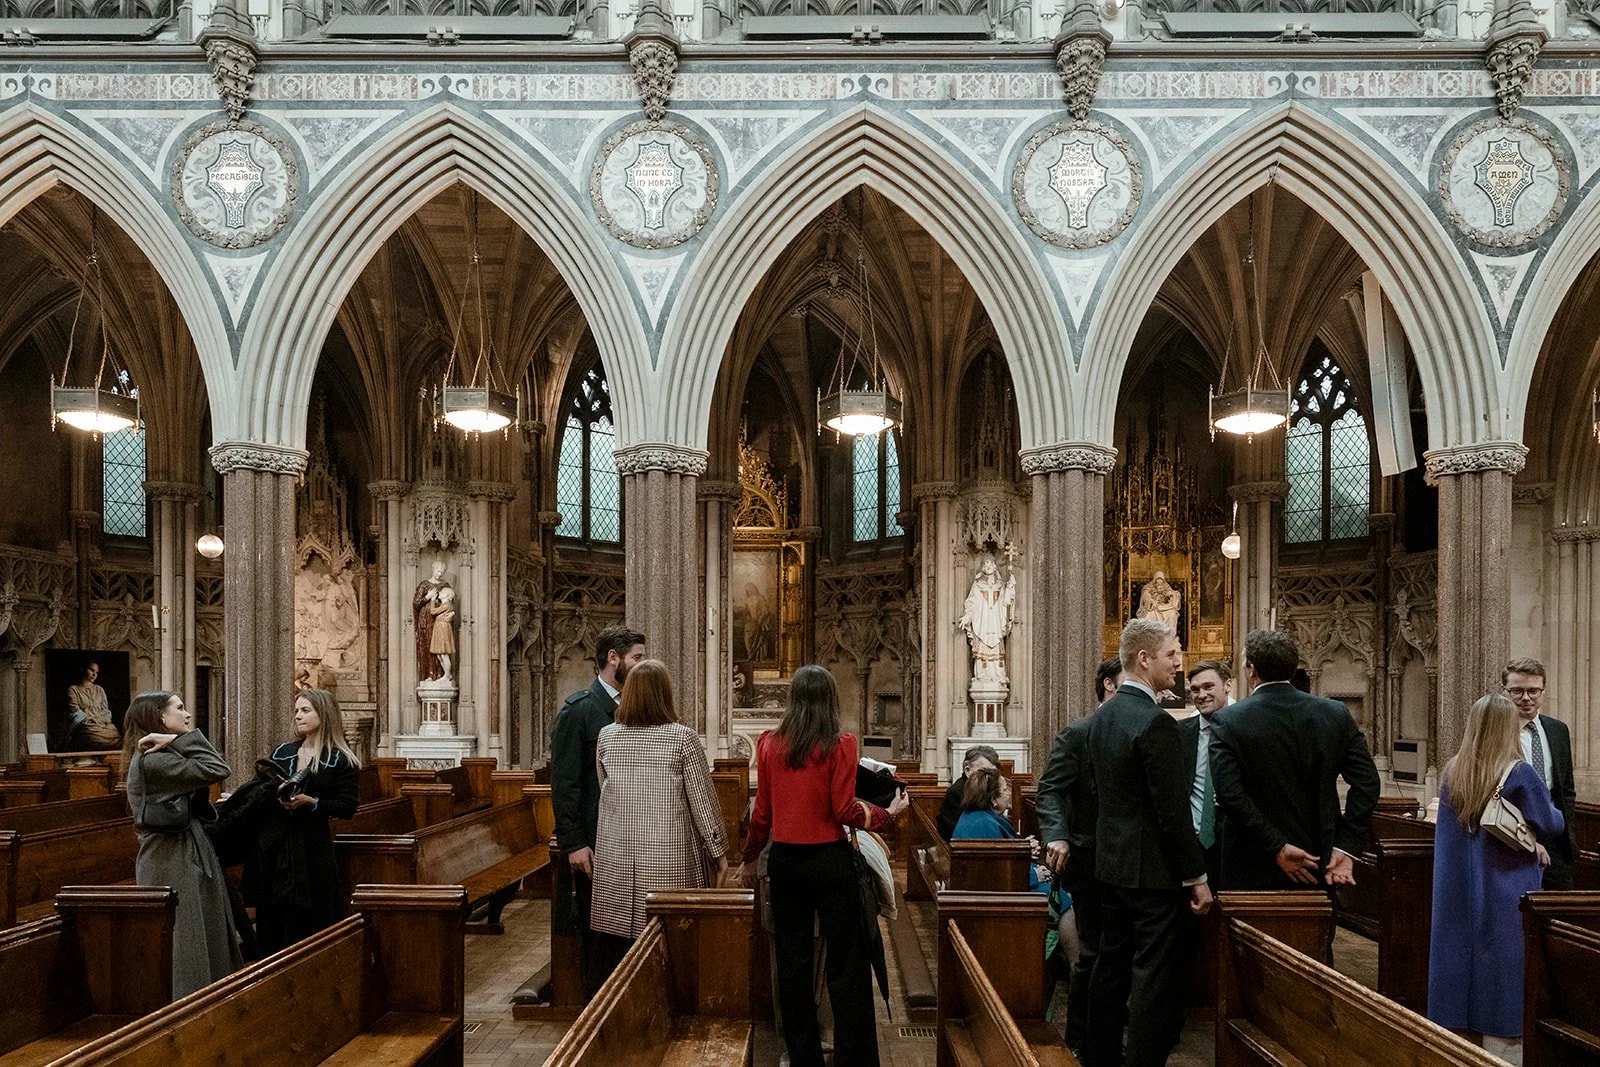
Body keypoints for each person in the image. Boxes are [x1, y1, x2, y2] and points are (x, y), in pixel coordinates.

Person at [736, 664, 909, 1067]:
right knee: (847, 965)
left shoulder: (770, 744)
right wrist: (888, 815)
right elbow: (844, 810)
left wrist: (748, 856)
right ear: (830, 700)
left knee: (793, 965)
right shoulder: (840, 745)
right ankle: (853, 1059)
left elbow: (762, 814)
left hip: (786, 865)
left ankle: (804, 1058)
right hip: (830, 862)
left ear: (793, 698)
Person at [1084, 620, 1211, 1067]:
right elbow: (1171, 812)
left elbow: (1100, 794)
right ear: (1144, 659)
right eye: (1171, 654)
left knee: (1110, 967)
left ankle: (1098, 1058)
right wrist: (1196, 876)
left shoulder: (1101, 717)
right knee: (1153, 980)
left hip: (1112, 866)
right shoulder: (1155, 722)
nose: (1178, 663)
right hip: (1152, 874)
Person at [1428, 692, 1564, 1061]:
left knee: (1459, 957)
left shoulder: (1454, 770)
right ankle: (1501, 1046)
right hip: (1505, 887)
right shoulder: (1519, 773)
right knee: (1503, 968)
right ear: (1508, 728)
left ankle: (1455, 1039)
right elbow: (1551, 822)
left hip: (1457, 886)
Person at [1210, 629, 1381, 891]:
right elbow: (1367, 783)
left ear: (1251, 669)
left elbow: (1229, 794)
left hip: (1252, 861)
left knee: (1250, 921)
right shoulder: (1334, 714)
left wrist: (1276, 845)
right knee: (1317, 919)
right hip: (1319, 858)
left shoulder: (1229, 720)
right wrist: (1345, 845)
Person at [590, 660, 728, 984]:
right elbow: (703, 803)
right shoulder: (682, 738)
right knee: (670, 943)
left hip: (617, 858)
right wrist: (719, 853)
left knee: (621, 951)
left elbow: (603, 788)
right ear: (665, 695)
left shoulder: (607, 737)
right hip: (667, 858)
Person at [121, 690, 241, 998]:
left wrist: (174, 742)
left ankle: (210, 998)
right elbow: (218, 768)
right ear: (159, 717)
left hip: (183, 848)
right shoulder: (153, 761)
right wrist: (178, 740)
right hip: (169, 857)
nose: (187, 714)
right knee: (186, 938)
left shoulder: (161, 757)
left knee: (199, 930)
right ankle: (190, 1005)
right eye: (180, 708)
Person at [550, 623, 647, 997]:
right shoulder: (580, 711)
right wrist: (574, 843)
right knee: (599, 941)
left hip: (628, 842)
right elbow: (565, 785)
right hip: (593, 843)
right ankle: (598, 1017)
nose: (642, 664)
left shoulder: (634, 708)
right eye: (637, 657)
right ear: (613, 658)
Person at [1036, 656, 1121, 1058]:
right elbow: (1050, 789)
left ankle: (1108, 1043)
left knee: (1118, 958)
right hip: (1090, 862)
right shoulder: (1079, 733)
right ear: (1109, 684)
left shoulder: (1150, 727)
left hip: (1133, 864)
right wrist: (1058, 836)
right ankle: (1082, 1044)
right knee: (1091, 956)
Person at [244, 688, 361, 955]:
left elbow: (347, 806)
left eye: (305, 710)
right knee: (272, 919)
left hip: (312, 847)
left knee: (311, 919)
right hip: (276, 845)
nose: (298, 716)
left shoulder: (340, 758)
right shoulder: (283, 752)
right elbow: (260, 787)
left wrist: (311, 801)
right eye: (297, 710)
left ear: (324, 714)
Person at [1502, 658, 1577, 890]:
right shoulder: (1497, 733)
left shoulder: (1557, 730)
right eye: (1517, 691)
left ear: (1543, 691)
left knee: (1561, 903)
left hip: (1554, 835)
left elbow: (1566, 789)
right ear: (1505, 691)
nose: (1526, 698)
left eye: (1533, 691)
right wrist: (1525, 837)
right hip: (1511, 834)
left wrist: (1566, 829)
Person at [952, 768, 1052, 895]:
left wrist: (1024, 849)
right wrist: (1034, 875)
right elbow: (996, 873)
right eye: (1005, 790)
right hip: (998, 894)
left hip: (1007, 882)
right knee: (1061, 900)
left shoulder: (976, 816)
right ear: (993, 799)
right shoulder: (985, 825)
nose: (1008, 793)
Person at [1181, 658, 1231, 881]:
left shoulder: (1247, 729)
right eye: (1195, 689)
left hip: (1235, 844)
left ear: (1227, 685)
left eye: (1208, 687)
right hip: (1192, 845)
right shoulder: (1179, 732)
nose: (1201, 695)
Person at [936, 743, 999, 840]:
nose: (991, 777)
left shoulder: (990, 789)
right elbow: (963, 830)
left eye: (993, 773)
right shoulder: (957, 792)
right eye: (984, 772)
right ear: (968, 771)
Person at [66, 660, 120, 750]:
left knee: (115, 735)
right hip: (86, 724)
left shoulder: (99, 689)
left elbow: (105, 711)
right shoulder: (73, 689)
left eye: (96, 672)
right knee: (94, 738)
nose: (94, 674)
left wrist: (101, 720)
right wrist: (91, 719)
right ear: (83, 669)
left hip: (102, 724)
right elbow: (75, 711)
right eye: (91, 670)